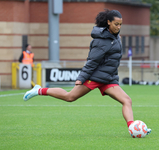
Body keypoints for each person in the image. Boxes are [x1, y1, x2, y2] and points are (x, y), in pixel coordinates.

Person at [23, 9, 151, 136]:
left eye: (120, 24)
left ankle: (134, 128)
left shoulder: (115, 36)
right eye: (116, 24)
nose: (119, 27)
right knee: (70, 97)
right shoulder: (101, 41)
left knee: (127, 100)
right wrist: (81, 77)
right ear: (108, 23)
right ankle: (38, 90)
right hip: (95, 77)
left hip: (108, 79)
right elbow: (92, 61)